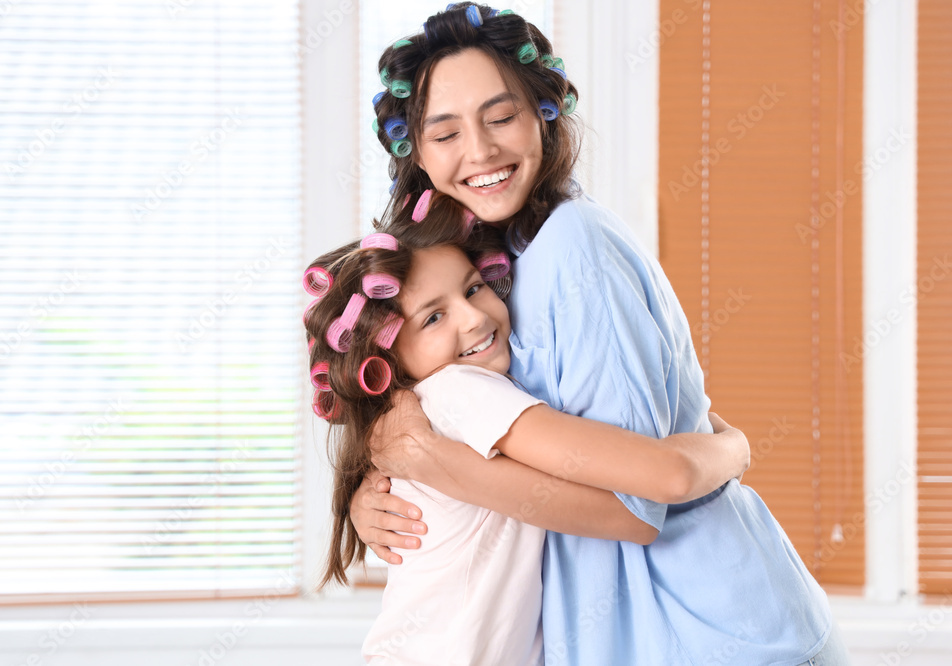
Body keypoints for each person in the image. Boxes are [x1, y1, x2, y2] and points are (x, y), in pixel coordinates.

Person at [351, 3, 849, 665]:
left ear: (543, 117)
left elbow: (634, 506)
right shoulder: (489, 272)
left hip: (711, 630)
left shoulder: (571, 246)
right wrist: (378, 485)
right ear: (417, 154)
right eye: (445, 134)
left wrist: (434, 463)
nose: (481, 150)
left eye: (502, 117)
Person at [303, 194, 749, 665]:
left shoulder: (437, 408)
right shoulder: (458, 391)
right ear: (388, 358)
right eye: (433, 317)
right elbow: (666, 482)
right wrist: (734, 447)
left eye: (473, 288)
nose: (474, 317)